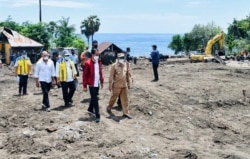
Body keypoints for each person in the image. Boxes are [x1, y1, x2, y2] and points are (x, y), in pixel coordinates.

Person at [106, 53, 132, 119]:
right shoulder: (114, 66)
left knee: (125, 99)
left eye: (123, 57)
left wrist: (129, 83)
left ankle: (126, 113)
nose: (121, 59)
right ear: (118, 58)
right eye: (120, 58)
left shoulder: (126, 65)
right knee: (113, 97)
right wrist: (110, 85)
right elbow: (111, 76)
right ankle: (109, 107)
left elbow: (127, 75)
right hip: (117, 85)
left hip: (124, 85)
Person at [83, 48, 104, 123]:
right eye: (96, 54)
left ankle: (90, 109)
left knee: (93, 97)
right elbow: (85, 75)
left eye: (98, 54)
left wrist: (101, 81)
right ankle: (97, 116)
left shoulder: (99, 61)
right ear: (92, 54)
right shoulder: (88, 63)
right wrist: (85, 86)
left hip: (97, 83)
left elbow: (100, 72)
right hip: (91, 84)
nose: (98, 56)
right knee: (95, 99)